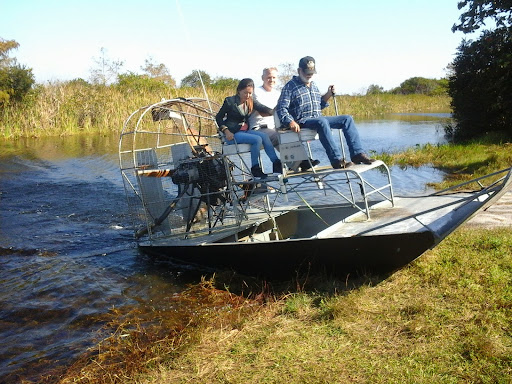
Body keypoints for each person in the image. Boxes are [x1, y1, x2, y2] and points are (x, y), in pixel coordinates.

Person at [276, 56, 375, 169]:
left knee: (347, 119)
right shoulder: (290, 87)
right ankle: (337, 160)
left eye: (311, 72)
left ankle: (357, 154)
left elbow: (319, 105)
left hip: (317, 118)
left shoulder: (314, 85)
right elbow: (281, 109)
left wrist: (328, 94)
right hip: (302, 121)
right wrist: (290, 122)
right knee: (322, 121)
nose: (309, 75)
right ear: (299, 71)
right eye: (306, 72)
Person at [249, 67, 319, 171]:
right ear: (262, 78)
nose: (271, 80)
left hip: (276, 127)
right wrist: (279, 112)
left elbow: (287, 110)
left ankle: (298, 163)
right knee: (281, 137)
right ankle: (301, 162)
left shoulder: (278, 93)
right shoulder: (256, 92)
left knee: (293, 134)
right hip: (260, 128)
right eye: (268, 77)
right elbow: (263, 111)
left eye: (273, 77)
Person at [216, 78, 282, 179]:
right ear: (239, 91)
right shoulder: (229, 101)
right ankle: (255, 168)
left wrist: (275, 111)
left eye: (250, 93)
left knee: (264, 136)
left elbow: (261, 107)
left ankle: (276, 164)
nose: (247, 96)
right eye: (245, 93)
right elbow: (218, 117)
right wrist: (226, 131)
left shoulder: (250, 101)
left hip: (245, 131)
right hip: (233, 133)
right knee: (257, 139)